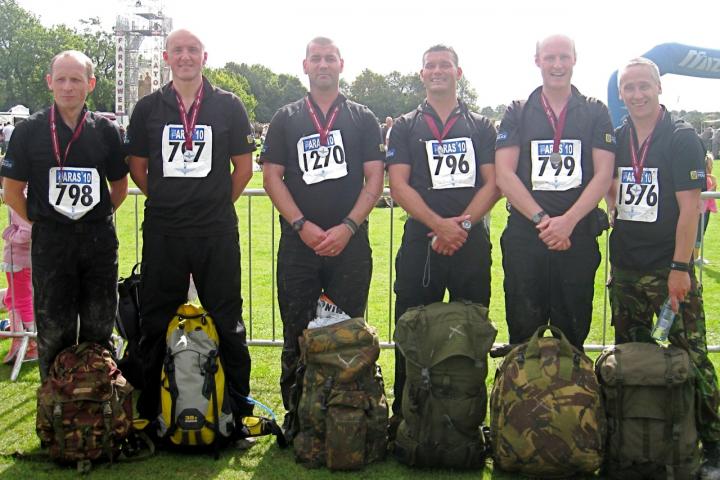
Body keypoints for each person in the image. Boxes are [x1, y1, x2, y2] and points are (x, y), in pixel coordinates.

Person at [126, 29, 256, 424]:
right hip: (164, 231)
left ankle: (237, 405)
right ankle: (150, 408)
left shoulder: (228, 106)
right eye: (178, 50)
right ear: (167, 57)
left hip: (215, 231)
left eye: (192, 50)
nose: (185, 56)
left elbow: (244, 168)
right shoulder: (148, 107)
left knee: (228, 319)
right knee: (154, 320)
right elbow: (137, 167)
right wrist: (169, 201)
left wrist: (212, 203)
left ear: (204, 56)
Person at [261, 36, 384, 434]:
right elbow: (271, 177)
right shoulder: (286, 117)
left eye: (330, 57)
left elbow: (375, 178)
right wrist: (302, 225)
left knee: (347, 331)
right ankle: (298, 416)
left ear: (341, 64)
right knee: (297, 331)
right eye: (316, 58)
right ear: (305, 65)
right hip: (300, 245)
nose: (323, 64)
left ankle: (345, 414)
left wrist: (349, 227)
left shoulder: (362, 117)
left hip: (350, 245)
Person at [607, 57, 720, 478]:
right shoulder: (617, 138)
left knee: (692, 355)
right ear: (621, 94)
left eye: (644, 86)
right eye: (629, 88)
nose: (637, 94)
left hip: (668, 268)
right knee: (632, 357)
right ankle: (634, 441)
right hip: (628, 268)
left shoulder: (681, 137)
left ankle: (714, 445)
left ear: (658, 88)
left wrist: (680, 266)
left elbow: (690, 210)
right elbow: (613, 190)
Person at [386, 44, 499, 420]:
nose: (438, 71)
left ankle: (467, 418)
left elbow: (493, 183)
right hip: (422, 240)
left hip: (470, 240)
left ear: (458, 72)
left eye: (445, 65)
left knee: (471, 328)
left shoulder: (482, 125)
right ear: (422, 75)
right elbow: (399, 185)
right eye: (430, 66)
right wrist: (439, 226)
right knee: (412, 327)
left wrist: (462, 225)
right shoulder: (404, 125)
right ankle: (405, 416)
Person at [0, 50, 128, 379]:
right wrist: (44, 222)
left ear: (91, 84)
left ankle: (98, 410)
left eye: (76, 79)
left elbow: (119, 187)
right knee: (54, 332)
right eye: (61, 79)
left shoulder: (105, 131)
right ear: (49, 83)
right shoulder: (29, 131)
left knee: (99, 330)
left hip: (98, 244)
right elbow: (12, 192)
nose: (68, 86)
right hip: (51, 243)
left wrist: (95, 218)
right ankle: (57, 413)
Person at [495, 34, 616, 349]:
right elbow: (504, 173)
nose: (557, 64)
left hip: (577, 238)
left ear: (575, 59)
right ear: (538, 61)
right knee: (523, 335)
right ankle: (522, 395)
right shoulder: (518, 110)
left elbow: (604, 174)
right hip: (526, 236)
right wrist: (543, 220)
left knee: (572, 334)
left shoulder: (595, 111)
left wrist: (568, 222)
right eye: (550, 57)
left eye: (564, 57)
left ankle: (573, 395)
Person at [1, 202, 36, 363]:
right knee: (12, 299)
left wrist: (9, 234)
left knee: (21, 301)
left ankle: (29, 342)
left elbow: (28, 230)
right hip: (18, 260)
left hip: (20, 261)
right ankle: (21, 339)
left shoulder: (21, 196)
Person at [695, 153, 717, 264]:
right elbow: (708, 193)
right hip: (703, 209)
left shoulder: (704, 177)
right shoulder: (707, 178)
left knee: (699, 232)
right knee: (699, 233)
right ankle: (695, 257)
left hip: (704, 209)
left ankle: (696, 256)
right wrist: (715, 184)